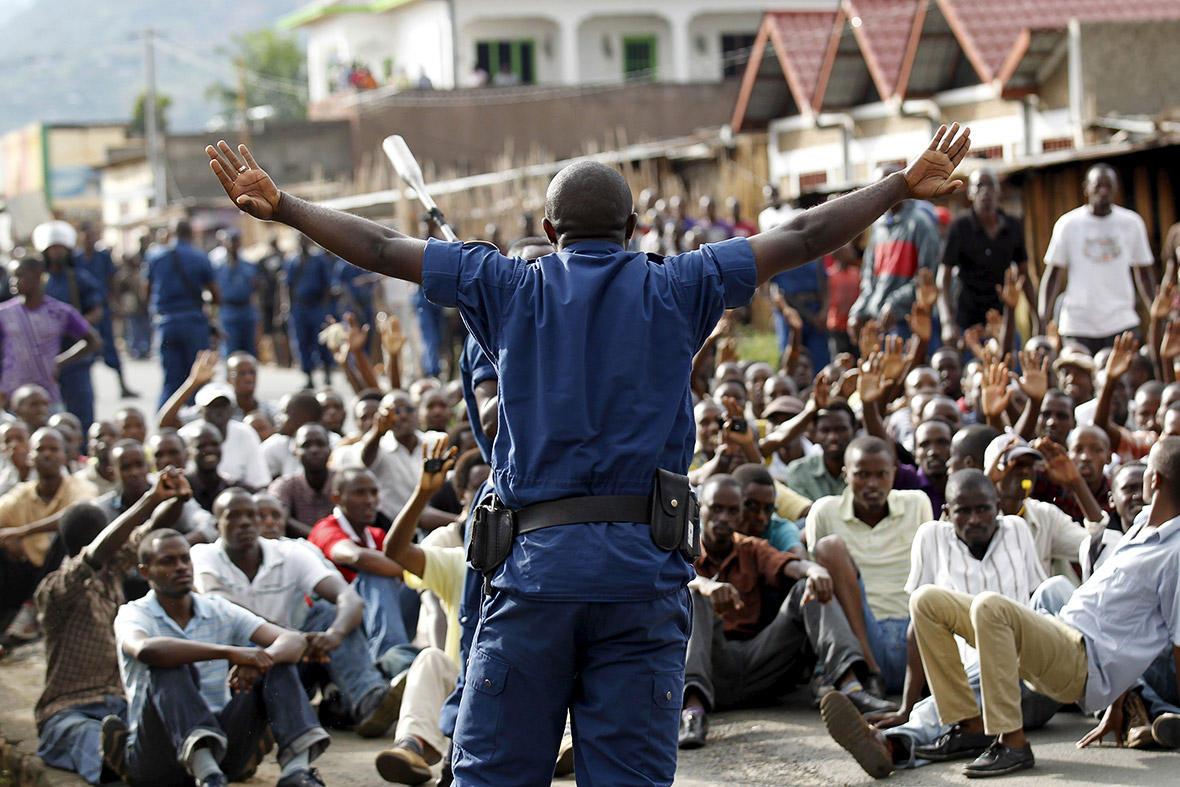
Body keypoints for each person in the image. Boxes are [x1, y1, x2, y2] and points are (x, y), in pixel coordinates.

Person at [205, 122, 971, 784]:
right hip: (643, 580)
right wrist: (899, 184)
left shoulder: (502, 283)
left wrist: (284, 207)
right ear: (636, 228)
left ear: (547, 229)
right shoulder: (683, 282)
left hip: (534, 580)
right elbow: (805, 235)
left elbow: (378, 244)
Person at [907, 436, 1180, 778]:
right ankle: (970, 728)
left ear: (1154, 480)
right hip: (1059, 633)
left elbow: (1176, 638)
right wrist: (1118, 704)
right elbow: (1122, 617)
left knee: (992, 607)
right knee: (928, 601)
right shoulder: (1142, 526)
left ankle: (1013, 743)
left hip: (1082, 663)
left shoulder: (1175, 552)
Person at [821, 469, 1052, 778]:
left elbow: (1038, 600)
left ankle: (889, 742)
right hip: (965, 693)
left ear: (997, 507)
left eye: (983, 508)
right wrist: (905, 706)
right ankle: (900, 748)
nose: (975, 519)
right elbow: (920, 625)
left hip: (1028, 681)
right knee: (958, 699)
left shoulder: (1017, 529)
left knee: (1014, 644)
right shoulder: (932, 537)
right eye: (963, 511)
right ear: (946, 513)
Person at [680, 475, 894, 749]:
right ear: (700, 510)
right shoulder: (684, 551)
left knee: (809, 588)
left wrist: (814, 570)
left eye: (733, 510)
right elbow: (678, 579)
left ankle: (852, 689)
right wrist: (706, 585)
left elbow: (790, 565)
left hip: (761, 664)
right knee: (693, 595)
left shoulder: (751, 548)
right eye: (716, 508)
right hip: (712, 668)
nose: (724, 517)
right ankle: (693, 713)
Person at [110, 528, 330, 787]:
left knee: (278, 663)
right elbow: (146, 649)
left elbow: (293, 641)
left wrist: (260, 660)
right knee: (167, 664)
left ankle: (296, 772)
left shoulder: (216, 608)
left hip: (223, 748)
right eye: (168, 561)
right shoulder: (134, 614)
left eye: (185, 559)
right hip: (158, 757)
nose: (181, 567)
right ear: (145, 572)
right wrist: (231, 652)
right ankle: (208, 775)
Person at [191, 488, 403, 738]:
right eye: (234, 516)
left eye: (251, 515)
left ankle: (368, 699)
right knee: (247, 634)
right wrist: (289, 637)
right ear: (217, 525)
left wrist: (334, 634)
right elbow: (219, 600)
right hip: (239, 667)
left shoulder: (290, 552)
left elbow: (349, 599)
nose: (246, 522)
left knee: (328, 613)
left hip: (291, 661)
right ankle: (331, 707)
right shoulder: (204, 554)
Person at [33, 471, 188, 784]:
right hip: (67, 711)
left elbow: (151, 530)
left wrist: (178, 499)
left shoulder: (111, 574)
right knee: (89, 736)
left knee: (155, 729)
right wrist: (149, 498)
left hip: (119, 706)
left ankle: (156, 762)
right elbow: (95, 554)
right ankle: (127, 765)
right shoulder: (57, 589)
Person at [806, 436, 935, 695]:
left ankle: (924, 684)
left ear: (894, 474)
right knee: (829, 549)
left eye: (881, 474)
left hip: (915, 634)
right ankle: (870, 674)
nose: (872, 484)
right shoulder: (824, 511)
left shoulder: (917, 503)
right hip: (862, 638)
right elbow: (822, 597)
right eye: (862, 475)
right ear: (845, 475)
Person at [308, 468, 421, 677]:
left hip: (378, 618)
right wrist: (412, 571)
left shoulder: (376, 534)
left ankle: (410, 656)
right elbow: (356, 557)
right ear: (337, 498)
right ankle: (393, 658)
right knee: (375, 572)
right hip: (338, 620)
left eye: (374, 492)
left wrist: (420, 574)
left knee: (423, 586)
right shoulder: (326, 528)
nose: (370, 500)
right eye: (360, 493)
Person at [1038, 164, 1155, 354]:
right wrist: (1042, 318)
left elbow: (1144, 274)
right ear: (1086, 187)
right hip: (1078, 325)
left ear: (1116, 188)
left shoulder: (1131, 223)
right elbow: (1052, 276)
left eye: (1108, 186)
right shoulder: (1068, 224)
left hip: (1121, 321)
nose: (1103, 191)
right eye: (1098, 186)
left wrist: (1156, 313)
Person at [0, 427, 99, 640]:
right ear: (30, 457)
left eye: (54, 449)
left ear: (65, 457)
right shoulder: (22, 494)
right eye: (41, 449)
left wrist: (23, 532)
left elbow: (76, 513)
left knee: (69, 530)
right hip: (27, 570)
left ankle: (34, 609)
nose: (47, 454)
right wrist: (9, 538)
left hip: (62, 574)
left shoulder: (79, 487)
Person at [938, 169, 1037, 346]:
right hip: (968, 322)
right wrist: (947, 322)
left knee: (1007, 368)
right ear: (970, 193)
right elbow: (943, 277)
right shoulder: (960, 227)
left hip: (1005, 320)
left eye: (990, 185)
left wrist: (1037, 317)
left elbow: (1024, 275)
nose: (985, 191)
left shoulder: (1012, 226)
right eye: (979, 186)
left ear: (999, 190)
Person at [848, 165, 941, 341]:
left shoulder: (920, 224)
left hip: (910, 323)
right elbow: (869, 277)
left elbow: (928, 277)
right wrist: (858, 312)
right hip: (879, 323)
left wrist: (894, 304)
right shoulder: (878, 227)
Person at [0, 256, 101, 415]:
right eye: (12, 276)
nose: (13, 281)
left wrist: (60, 361)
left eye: (19, 275)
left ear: (38, 276)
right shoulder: (4, 313)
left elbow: (94, 341)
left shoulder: (59, 312)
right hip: (12, 397)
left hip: (47, 398)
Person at [34, 221, 104, 434]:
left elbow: (97, 310)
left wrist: (76, 325)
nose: (56, 252)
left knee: (80, 413)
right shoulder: (37, 281)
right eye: (52, 248)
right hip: (43, 357)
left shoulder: (79, 278)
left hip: (76, 356)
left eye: (60, 248)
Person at [145, 219, 221, 409]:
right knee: (199, 378)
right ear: (191, 234)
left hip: (166, 322)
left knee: (171, 380)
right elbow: (216, 294)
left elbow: (145, 290)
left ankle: (164, 426)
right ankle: (201, 425)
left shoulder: (156, 256)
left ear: (171, 233)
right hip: (193, 322)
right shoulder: (200, 257)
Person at [75, 222, 137, 397]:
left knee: (110, 346)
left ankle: (122, 385)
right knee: (83, 351)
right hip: (83, 312)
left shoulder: (103, 256)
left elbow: (112, 280)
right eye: (86, 235)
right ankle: (85, 391)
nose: (90, 239)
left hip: (102, 308)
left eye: (92, 235)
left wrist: (116, 303)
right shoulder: (75, 258)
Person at [284, 236, 336, 389]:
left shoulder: (319, 259)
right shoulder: (292, 260)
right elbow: (287, 285)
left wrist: (325, 308)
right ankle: (308, 375)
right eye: (300, 239)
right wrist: (288, 306)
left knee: (321, 340)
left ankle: (327, 370)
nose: (302, 242)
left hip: (317, 305)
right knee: (301, 342)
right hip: (300, 307)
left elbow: (327, 285)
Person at [268, 423, 335, 537]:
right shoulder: (284, 485)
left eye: (320, 444)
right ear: (295, 453)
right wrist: (320, 539)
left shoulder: (344, 481)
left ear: (330, 449)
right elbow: (280, 519)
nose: (314, 450)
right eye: (306, 445)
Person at [210, 229, 262, 357]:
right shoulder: (218, 267)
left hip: (246, 310)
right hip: (228, 311)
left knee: (249, 350)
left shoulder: (249, 266)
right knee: (230, 350)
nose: (233, 245)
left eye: (236, 242)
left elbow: (257, 289)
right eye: (230, 242)